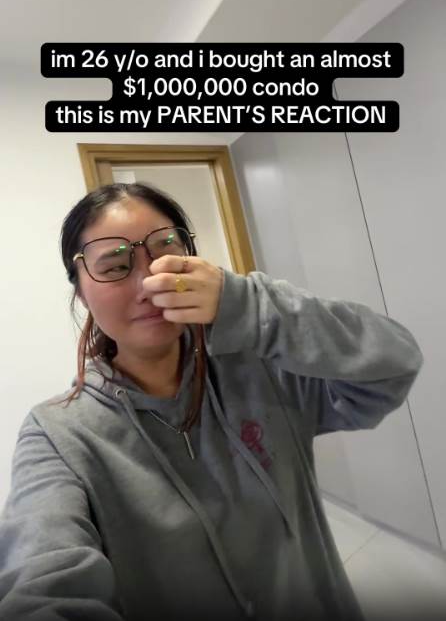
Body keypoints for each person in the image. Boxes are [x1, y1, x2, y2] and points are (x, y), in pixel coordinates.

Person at [0, 182, 423, 621]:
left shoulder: (261, 367)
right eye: (116, 266)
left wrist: (247, 303)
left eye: (166, 251)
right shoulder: (56, 437)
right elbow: (44, 581)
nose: (148, 282)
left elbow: (394, 364)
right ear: (81, 293)